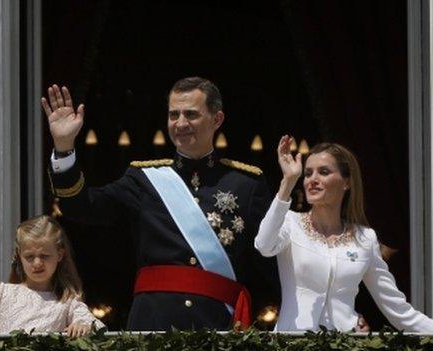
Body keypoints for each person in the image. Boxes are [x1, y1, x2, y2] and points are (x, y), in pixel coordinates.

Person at [42, 77, 274, 331]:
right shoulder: (143, 179)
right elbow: (80, 207)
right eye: (174, 115)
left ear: (216, 120)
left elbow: (269, 261)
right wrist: (64, 147)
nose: (181, 123)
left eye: (191, 114)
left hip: (218, 325)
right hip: (153, 324)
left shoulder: (246, 184)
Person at [254, 136, 433, 332]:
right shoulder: (290, 223)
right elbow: (264, 245)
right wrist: (288, 182)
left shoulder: (365, 238)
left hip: (346, 342)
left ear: (347, 182)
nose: (312, 180)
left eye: (324, 172)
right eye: (308, 174)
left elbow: (399, 311)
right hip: (293, 343)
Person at [0, 215, 103, 336]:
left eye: (45, 256)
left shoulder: (67, 300)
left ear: (59, 255)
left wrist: (84, 327)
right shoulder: (3, 294)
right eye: (29, 257)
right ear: (20, 256)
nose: (37, 263)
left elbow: (96, 328)